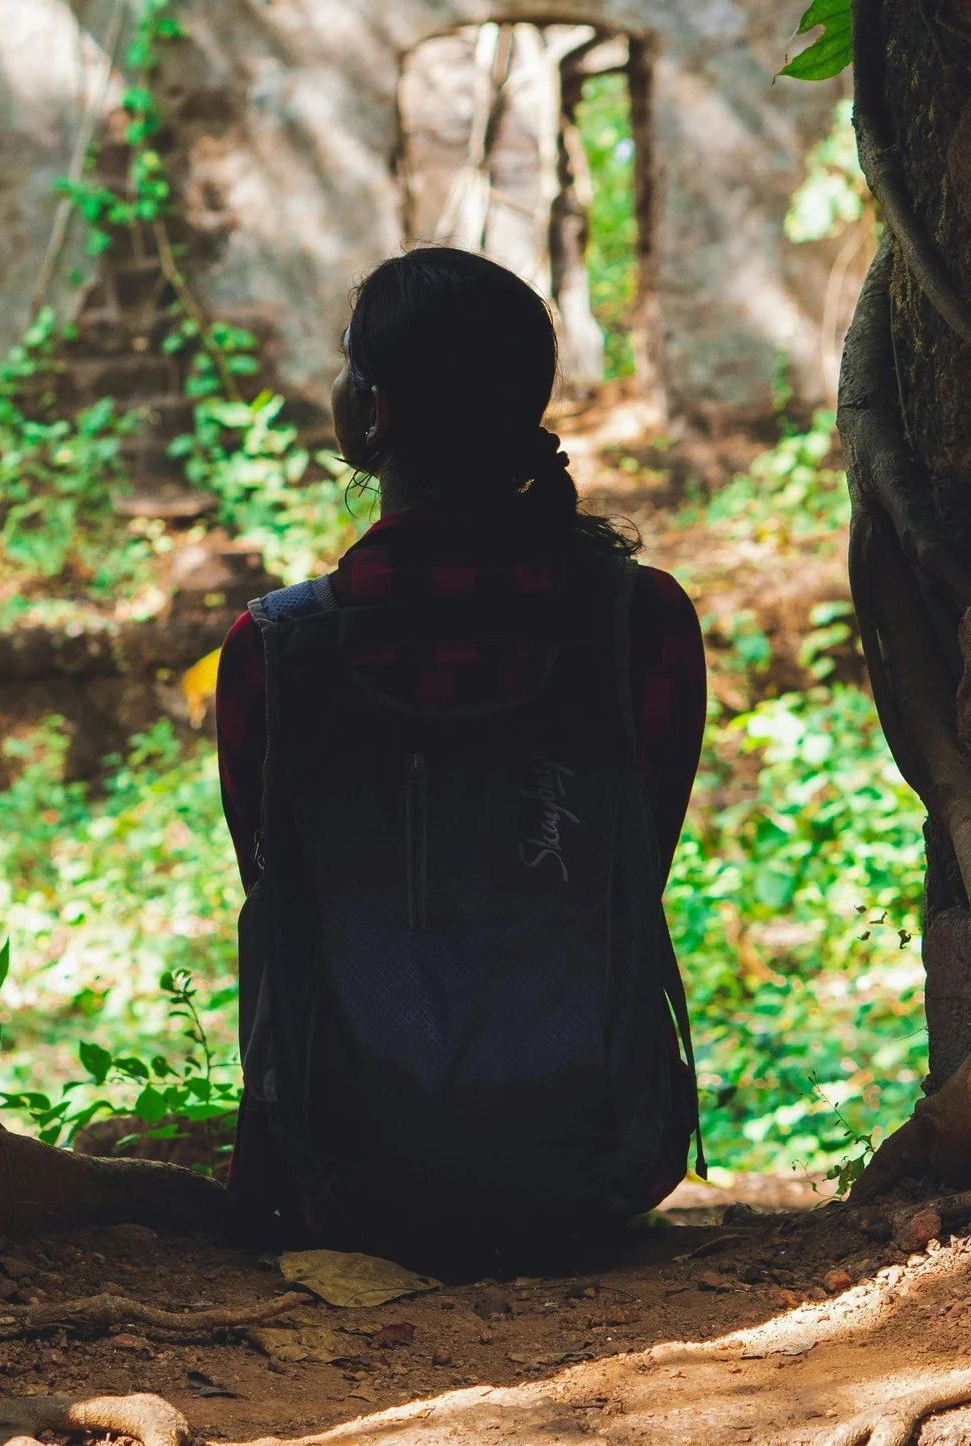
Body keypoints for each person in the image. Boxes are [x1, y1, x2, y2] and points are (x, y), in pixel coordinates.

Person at [216, 247, 707, 1272]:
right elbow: (634, 860)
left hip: (340, 1177)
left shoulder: (273, 649)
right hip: (596, 1164)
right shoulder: (641, 623)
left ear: (375, 415)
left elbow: (269, 879)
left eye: (351, 366)